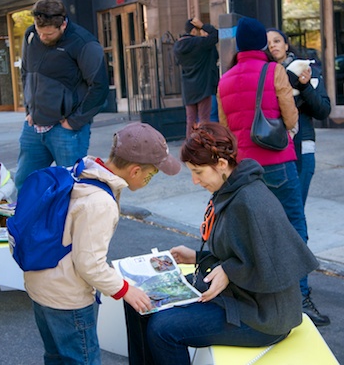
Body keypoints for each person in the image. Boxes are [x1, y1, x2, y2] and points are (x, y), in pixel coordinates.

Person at [124, 122, 319, 365]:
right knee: (140, 299)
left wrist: (229, 271)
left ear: (222, 165)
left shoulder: (251, 201)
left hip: (263, 316)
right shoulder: (230, 189)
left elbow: (276, 265)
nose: (195, 181)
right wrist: (197, 256)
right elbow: (241, 252)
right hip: (240, 297)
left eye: (198, 172)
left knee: (163, 329)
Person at [24, 122, 182, 364]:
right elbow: (89, 264)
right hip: (68, 298)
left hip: (42, 284)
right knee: (82, 359)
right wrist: (126, 290)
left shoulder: (81, 171)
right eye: (153, 174)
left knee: (56, 357)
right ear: (135, 170)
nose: (153, 178)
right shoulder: (101, 202)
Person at [217, 17, 330, 326]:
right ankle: (301, 297)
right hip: (278, 163)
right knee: (293, 227)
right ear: (261, 44)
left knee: (254, 233)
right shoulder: (273, 71)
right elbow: (290, 115)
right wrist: (291, 129)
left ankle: (262, 298)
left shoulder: (224, 79)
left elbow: (225, 126)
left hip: (243, 169)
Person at [15, 0, 110, 190]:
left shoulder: (84, 42)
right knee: (24, 184)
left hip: (66, 130)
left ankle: (66, 222)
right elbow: (25, 72)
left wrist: (73, 122)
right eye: (40, 31)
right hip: (34, 126)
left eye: (48, 34)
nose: (42, 37)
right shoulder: (31, 35)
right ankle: (33, 221)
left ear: (63, 24)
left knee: (70, 187)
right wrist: (29, 109)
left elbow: (100, 87)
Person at [266, 28, 331, 205]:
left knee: (296, 207)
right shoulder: (264, 76)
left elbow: (323, 111)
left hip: (303, 144)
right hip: (274, 147)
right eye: (268, 42)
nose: (272, 45)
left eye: (277, 41)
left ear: (286, 45)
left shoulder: (306, 70)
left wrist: (304, 87)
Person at [173, 18, 220, 137]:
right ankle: (203, 146)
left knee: (190, 120)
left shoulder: (177, 46)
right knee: (204, 119)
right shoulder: (199, 43)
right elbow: (215, 35)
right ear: (194, 30)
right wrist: (203, 25)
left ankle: (190, 146)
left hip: (188, 88)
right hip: (203, 86)